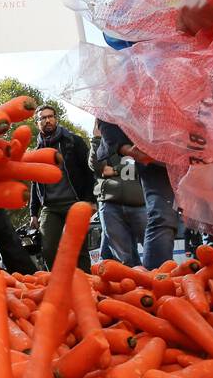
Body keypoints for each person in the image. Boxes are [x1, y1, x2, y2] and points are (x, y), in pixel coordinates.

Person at [28, 104, 94, 270]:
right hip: (50, 207)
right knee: (49, 249)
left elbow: (88, 173)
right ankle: (59, 284)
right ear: (37, 123)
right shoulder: (36, 152)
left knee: (79, 249)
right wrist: (33, 213)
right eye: (43, 118)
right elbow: (34, 181)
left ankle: (88, 285)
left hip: (75, 203)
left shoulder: (73, 142)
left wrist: (90, 200)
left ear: (56, 119)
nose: (47, 120)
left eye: (50, 116)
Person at [90, 120, 146, 267]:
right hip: (110, 204)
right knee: (124, 259)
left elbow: (143, 160)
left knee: (152, 248)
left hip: (139, 201)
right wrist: (96, 139)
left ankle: (158, 284)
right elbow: (97, 168)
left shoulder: (139, 133)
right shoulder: (101, 141)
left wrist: (114, 170)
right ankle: (134, 287)